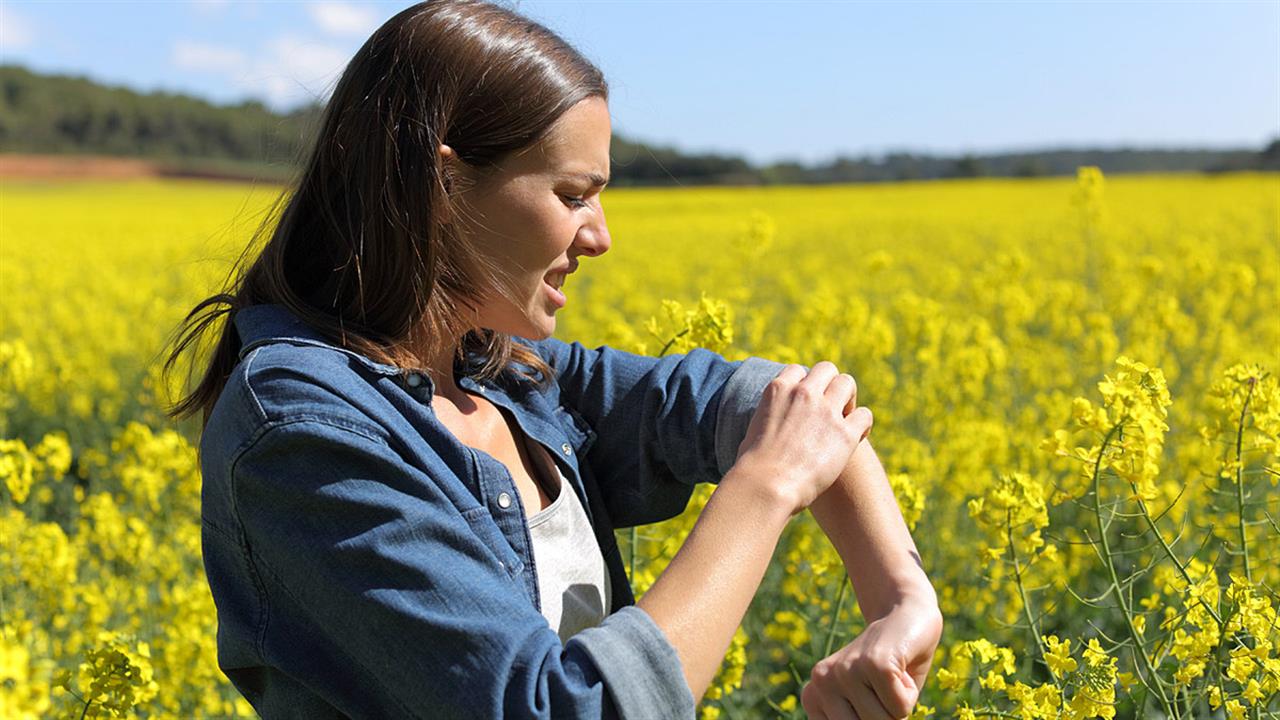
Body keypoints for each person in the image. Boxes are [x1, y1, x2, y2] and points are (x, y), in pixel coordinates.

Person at [163, 1, 943, 718]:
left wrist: (904, 603)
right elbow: (562, 708)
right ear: (442, 184)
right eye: (573, 195)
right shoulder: (305, 434)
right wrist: (766, 487)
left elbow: (788, 406)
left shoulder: (502, 374)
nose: (599, 235)